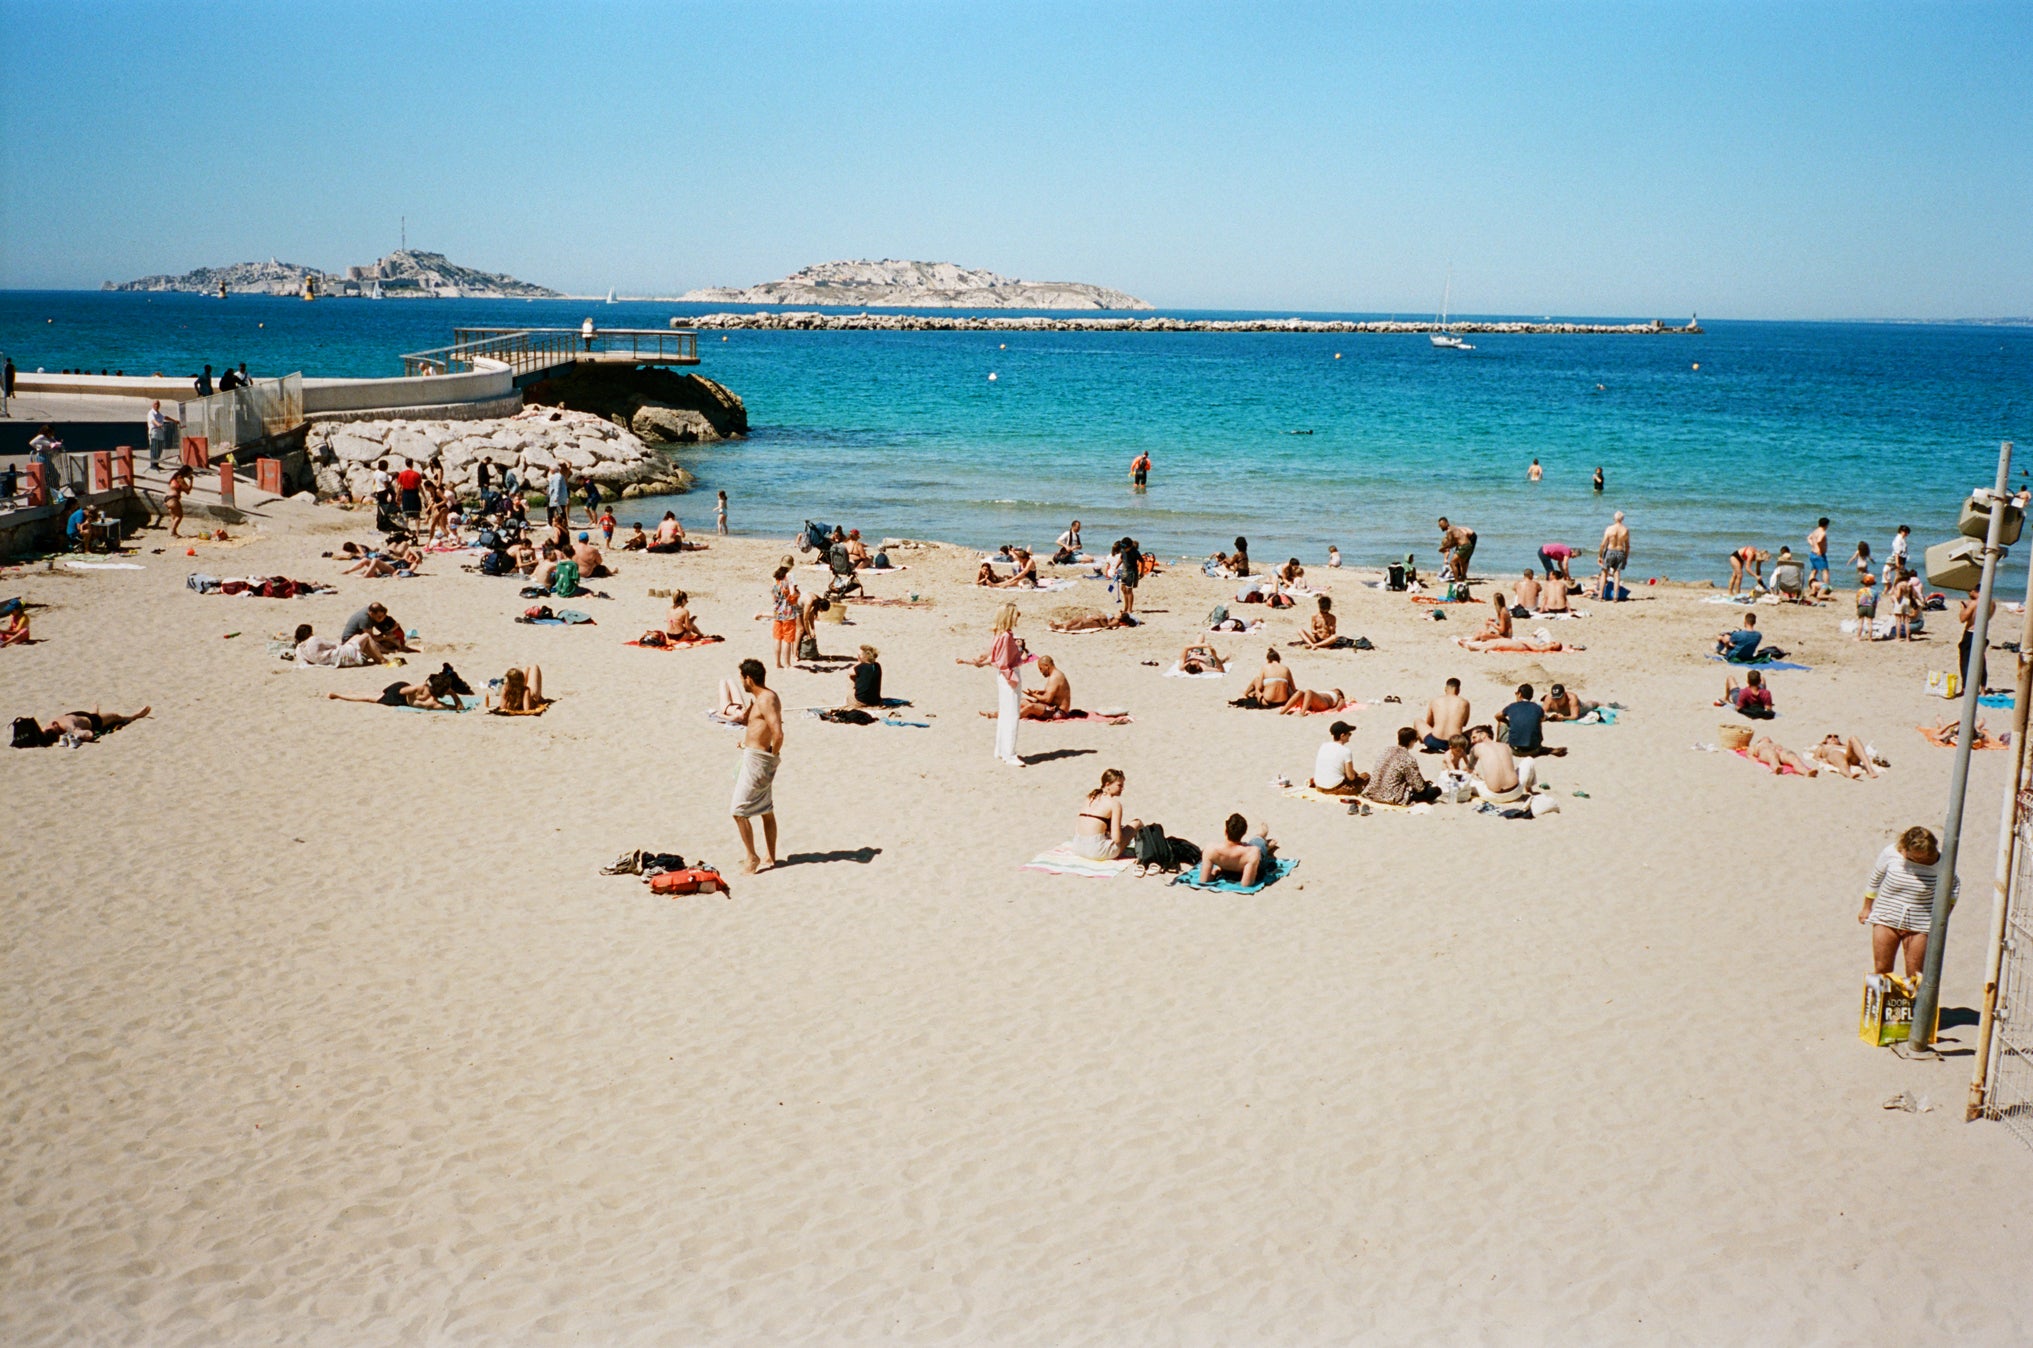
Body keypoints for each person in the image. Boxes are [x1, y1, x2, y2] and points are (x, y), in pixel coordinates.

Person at [1859, 826, 1955, 980]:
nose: (1920, 862)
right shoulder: (1891, 853)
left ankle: (1914, 1004)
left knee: (1915, 974)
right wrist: (1866, 907)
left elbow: (1954, 888)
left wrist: (1943, 917)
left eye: (1924, 858)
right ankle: (1883, 1002)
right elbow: (1875, 879)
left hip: (1920, 924)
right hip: (1887, 918)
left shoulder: (1941, 862)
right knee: (1882, 969)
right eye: (1915, 858)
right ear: (1905, 848)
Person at [729, 658, 784, 873]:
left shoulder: (766, 699)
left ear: (749, 678)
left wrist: (772, 757)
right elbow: (754, 724)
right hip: (753, 755)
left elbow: (777, 733)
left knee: (738, 811)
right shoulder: (758, 698)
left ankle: (752, 857)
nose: (741, 681)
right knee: (766, 809)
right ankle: (770, 857)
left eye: (742, 678)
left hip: (759, 760)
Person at [958, 602, 1026, 767]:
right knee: (1011, 714)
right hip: (1009, 675)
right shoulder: (1007, 636)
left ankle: (1002, 750)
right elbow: (1002, 661)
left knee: (1005, 712)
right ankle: (1009, 753)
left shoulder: (999, 635)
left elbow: (993, 657)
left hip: (1002, 676)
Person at [1366, 727, 1443, 805]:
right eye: (1415, 740)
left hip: (1373, 792)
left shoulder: (1386, 751)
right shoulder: (1408, 759)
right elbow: (1420, 787)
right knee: (1435, 791)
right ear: (1411, 741)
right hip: (1391, 796)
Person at [1198, 813, 1276, 886]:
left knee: (1255, 844)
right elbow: (1246, 884)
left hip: (1231, 860)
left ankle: (1265, 841)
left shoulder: (1210, 849)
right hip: (1247, 858)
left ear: (1225, 832)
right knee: (1256, 841)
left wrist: (1215, 871)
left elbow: (1204, 880)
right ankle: (1263, 837)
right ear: (1244, 833)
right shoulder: (1253, 852)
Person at [1465, 724, 1538, 803]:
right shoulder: (1506, 746)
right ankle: (1528, 789)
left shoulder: (1476, 748)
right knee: (1529, 759)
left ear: (1483, 734)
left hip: (1493, 795)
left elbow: (1469, 770)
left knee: (1467, 781)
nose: (1472, 741)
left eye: (1474, 737)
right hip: (1515, 792)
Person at [327, 669, 462, 710]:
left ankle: (350, 693)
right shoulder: (434, 703)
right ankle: (337, 695)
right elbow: (459, 708)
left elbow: (403, 691)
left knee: (374, 694)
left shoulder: (423, 686)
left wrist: (414, 693)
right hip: (398, 699)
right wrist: (453, 694)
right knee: (369, 698)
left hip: (400, 687)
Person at [23, 705, 152, 745]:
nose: (50, 725)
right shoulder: (69, 727)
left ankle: (94, 709)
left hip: (77, 714)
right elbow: (88, 734)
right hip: (93, 721)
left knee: (92, 712)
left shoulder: (47, 728)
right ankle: (134, 716)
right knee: (115, 717)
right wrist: (83, 735)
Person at [1072, 769, 1128, 860]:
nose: (1122, 788)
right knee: (1136, 823)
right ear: (1107, 784)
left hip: (1077, 846)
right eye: (1119, 785)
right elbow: (1117, 839)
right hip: (1095, 851)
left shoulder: (1090, 797)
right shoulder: (1114, 804)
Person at [1496, 683, 1565, 756]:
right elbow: (1543, 718)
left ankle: (1498, 746)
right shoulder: (1537, 708)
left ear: (1519, 694)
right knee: (1537, 721)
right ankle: (1540, 747)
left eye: (1516, 693)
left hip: (1515, 750)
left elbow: (1497, 716)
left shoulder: (1512, 706)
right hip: (1534, 750)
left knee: (1501, 721)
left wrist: (1511, 722)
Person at [1310, 721, 1367, 795]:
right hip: (1333, 789)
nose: (1350, 736)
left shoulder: (1323, 746)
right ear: (1342, 735)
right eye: (1349, 734)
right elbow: (1351, 777)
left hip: (1319, 786)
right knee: (1366, 776)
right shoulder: (1346, 751)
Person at [1417, 677, 1471, 752]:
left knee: (1417, 721)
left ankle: (1425, 744)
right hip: (1456, 743)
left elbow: (1429, 723)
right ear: (1458, 690)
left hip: (1434, 741)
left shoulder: (1435, 700)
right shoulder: (1465, 702)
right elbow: (1464, 723)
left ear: (1445, 689)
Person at [341, 601, 411, 653]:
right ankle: (390, 651)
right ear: (371, 613)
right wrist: (386, 637)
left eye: (383, 616)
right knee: (376, 645)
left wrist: (391, 630)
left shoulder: (372, 614)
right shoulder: (365, 619)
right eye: (379, 617)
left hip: (361, 636)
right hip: (349, 641)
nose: (382, 619)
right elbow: (371, 638)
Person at [1960, 587, 1995, 689]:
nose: (1969, 594)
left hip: (1971, 632)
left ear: (1975, 591)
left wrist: (1963, 608)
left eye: (1970, 591)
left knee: (1966, 661)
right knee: (1981, 660)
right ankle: (1983, 687)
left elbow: (1962, 618)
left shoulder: (1974, 603)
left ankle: (1965, 687)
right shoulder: (1992, 603)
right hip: (1982, 632)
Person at [1021, 654, 1072, 719]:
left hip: (1059, 711)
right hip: (1052, 707)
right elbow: (1054, 692)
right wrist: (1040, 692)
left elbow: (1047, 700)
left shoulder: (1055, 677)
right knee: (1022, 701)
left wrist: (1033, 695)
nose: (1040, 671)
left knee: (1031, 706)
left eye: (1041, 668)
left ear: (1046, 666)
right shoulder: (1056, 674)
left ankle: (1013, 717)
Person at [1810, 734, 1881, 780]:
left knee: (1853, 738)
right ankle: (1849, 774)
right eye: (1829, 736)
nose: (1833, 738)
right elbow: (1816, 757)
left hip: (1850, 757)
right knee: (1836, 753)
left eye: (1836, 736)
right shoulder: (1824, 747)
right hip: (1834, 754)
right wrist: (1823, 761)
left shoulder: (1845, 746)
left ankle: (1870, 770)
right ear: (1825, 740)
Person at [769, 565, 799, 669]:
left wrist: (775, 605)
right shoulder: (790, 576)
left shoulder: (776, 576)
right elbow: (792, 592)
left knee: (777, 638)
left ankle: (777, 663)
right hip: (788, 611)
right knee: (787, 639)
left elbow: (772, 592)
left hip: (778, 609)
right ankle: (787, 664)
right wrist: (798, 594)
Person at [1747, 735, 1816, 775]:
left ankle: (1805, 771)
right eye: (1764, 737)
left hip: (1780, 752)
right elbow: (1749, 754)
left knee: (1794, 758)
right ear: (1760, 740)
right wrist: (1755, 760)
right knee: (1772, 756)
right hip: (1765, 751)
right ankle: (1776, 767)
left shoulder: (1775, 743)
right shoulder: (1757, 745)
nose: (1767, 737)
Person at [1599, 512, 1631, 595]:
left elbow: (1603, 544)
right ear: (1622, 519)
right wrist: (1626, 558)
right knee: (1617, 574)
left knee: (1604, 573)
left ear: (1614, 518)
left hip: (1610, 551)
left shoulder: (1609, 528)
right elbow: (1627, 546)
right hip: (1620, 552)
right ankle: (1615, 597)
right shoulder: (1625, 530)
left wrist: (1600, 555)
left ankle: (1600, 595)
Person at [1437, 517, 1476, 581]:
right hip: (1468, 545)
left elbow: (1449, 544)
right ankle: (1463, 578)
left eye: (1441, 525)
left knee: (1452, 563)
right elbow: (1454, 543)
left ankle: (1457, 581)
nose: (1440, 527)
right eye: (1439, 525)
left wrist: (1442, 548)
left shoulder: (1449, 531)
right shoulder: (1453, 528)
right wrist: (1446, 547)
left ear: (1446, 523)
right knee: (1462, 562)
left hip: (1464, 546)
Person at [164, 466, 193, 537]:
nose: (190, 474)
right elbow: (188, 491)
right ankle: (173, 531)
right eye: (189, 473)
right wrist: (191, 481)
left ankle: (172, 531)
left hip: (167, 498)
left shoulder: (175, 477)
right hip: (173, 498)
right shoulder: (180, 479)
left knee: (173, 516)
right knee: (179, 516)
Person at [146, 400, 174, 470]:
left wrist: (174, 420)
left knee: (159, 449)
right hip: (154, 432)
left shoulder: (158, 413)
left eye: (158, 404)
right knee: (154, 448)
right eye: (155, 404)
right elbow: (153, 420)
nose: (157, 405)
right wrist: (158, 424)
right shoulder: (151, 413)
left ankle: (156, 464)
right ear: (153, 405)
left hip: (160, 432)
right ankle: (153, 465)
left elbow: (165, 417)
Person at [1279, 686, 1346, 715]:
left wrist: (1336, 709)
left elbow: (1342, 702)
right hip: (1311, 703)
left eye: (1336, 690)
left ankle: (1302, 712)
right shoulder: (1327, 691)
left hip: (1324, 703)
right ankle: (1283, 710)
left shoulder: (1338, 696)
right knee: (1300, 692)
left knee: (1309, 691)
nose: (1334, 689)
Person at [395, 459, 424, 525]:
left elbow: (399, 487)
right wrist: (424, 496)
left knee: (406, 514)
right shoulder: (416, 474)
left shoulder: (402, 474)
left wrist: (397, 496)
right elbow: (420, 487)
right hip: (414, 494)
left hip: (405, 494)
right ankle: (417, 532)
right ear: (412, 464)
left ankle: (406, 529)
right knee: (417, 515)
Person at [1806, 517, 1831, 592]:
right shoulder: (1822, 532)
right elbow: (1819, 540)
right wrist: (1819, 549)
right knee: (1825, 571)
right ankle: (1826, 587)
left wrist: (1813, 545)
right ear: (1826, 525)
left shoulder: (1815, 531)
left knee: (1814, 571)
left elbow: (1808, 538)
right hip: (1819, 555)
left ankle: (1810, 586)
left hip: (1812, 553)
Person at [1855, 573, 1879, 641]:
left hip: (1861, 606)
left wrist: (1857, 607)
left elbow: (1857, 600)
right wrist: (1874, 609)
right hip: (1870, 607)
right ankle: (1870, 638)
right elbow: (1876, 602)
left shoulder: (1860, 590)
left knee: (1860, 622)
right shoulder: (1875, 592)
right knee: (1870, 623)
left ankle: (1858, 637)